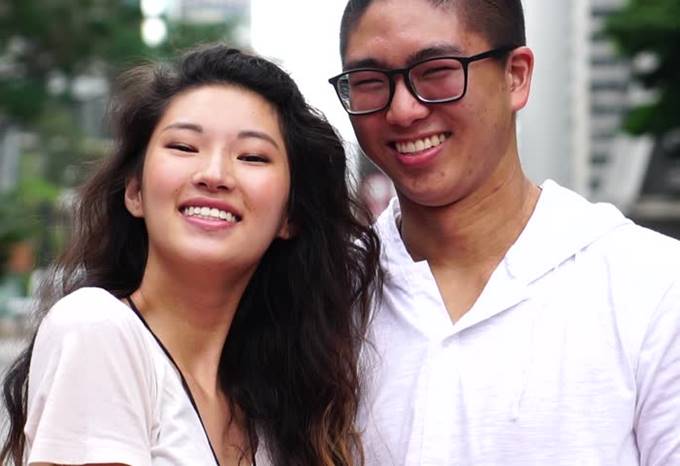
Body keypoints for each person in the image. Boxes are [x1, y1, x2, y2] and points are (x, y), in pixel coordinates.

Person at [328, 0, 680, 464]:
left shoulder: (652, 287)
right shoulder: (327, 292)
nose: (403, 110)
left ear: (516, 76)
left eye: (436, 71)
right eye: (371, 82)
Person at [1, 44, 381, 466]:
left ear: (289, 216)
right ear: (135, 192)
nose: (214, 175)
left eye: (252, 156)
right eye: (183, 147)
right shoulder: (98, 329)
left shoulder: (274, 408)